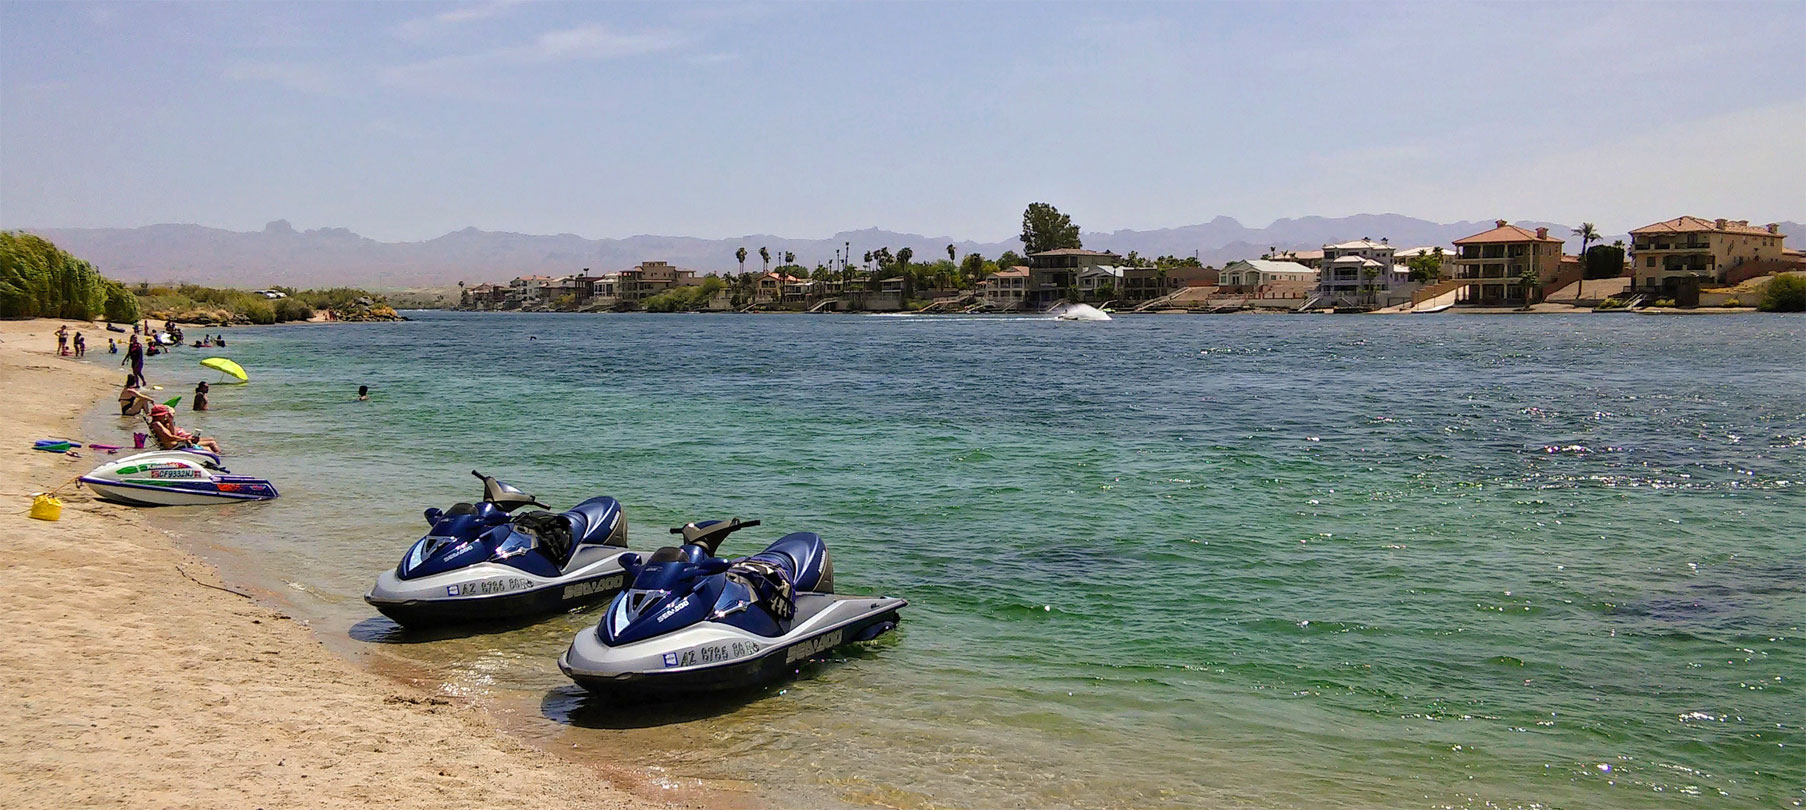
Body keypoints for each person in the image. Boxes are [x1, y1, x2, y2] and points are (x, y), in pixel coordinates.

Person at [147, 404, 221, 454]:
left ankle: (221, 456)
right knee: (211, 444)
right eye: (165, 415)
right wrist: (186, 439)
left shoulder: (161, 423)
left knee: (211, 440)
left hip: (178, 443)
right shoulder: (157, 424)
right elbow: (170, 437)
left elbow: (172, 434)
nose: (166, 416)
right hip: (176, 446)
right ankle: (221, 458)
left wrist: (170, 420)